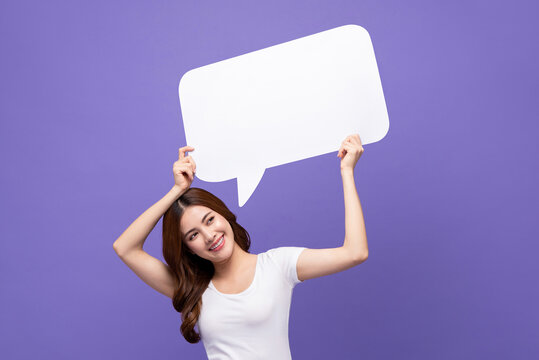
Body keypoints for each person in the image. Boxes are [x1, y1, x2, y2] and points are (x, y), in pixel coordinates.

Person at [113, 134, 369, 359]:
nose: (209, 236)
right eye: (193, 235)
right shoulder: (193, 290)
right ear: (188, 248)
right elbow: (125, 247)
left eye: (210, 220)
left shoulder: (278, 265)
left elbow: (355, 253)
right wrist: (177, 190)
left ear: (224, 214)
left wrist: (347, 172)